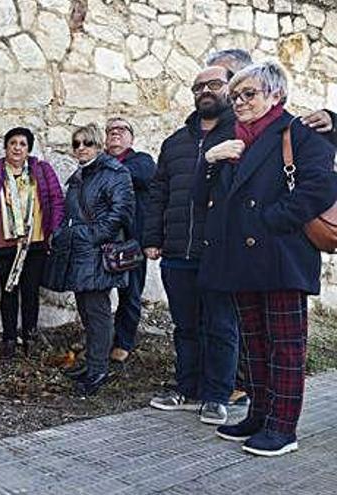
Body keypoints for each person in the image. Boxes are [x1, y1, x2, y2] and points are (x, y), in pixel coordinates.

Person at [197, 62, 337, 456]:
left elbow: (321, 187)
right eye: (236, 96)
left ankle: (283, 428)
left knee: (286, 347)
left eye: (249, 94)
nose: (239, 102)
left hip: (281, 255)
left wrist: (271, 219)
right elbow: (206, 197)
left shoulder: (301, 132)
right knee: (254, 344)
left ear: (275, 96)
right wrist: (211, 161)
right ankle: (258, 415)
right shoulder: (232, 140)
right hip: (241, 259)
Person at [144, 65, 242, 425]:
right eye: (199, 86)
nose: (206, 90)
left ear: (230, 89)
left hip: (220, 251)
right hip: (176, 252)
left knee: (221, 325)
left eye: (214, 84)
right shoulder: (174, 143)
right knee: (185, 326)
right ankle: (188, 389)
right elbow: (159, 194)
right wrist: (153, 238)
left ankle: (218, 396)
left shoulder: (242, 134)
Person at [45, 124, 134, 396]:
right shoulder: (79, 176)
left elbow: (119, 214)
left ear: (98, 145)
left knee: (97, 312)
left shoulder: (115, 173)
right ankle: (92, 363)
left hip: (97, 252)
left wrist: (83, 235)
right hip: (80, 252)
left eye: (87, 143)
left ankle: (98, 369)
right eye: (76, 144)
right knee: (86, 309)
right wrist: (62, 234)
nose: (81, 148)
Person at [0, 127, 65, 361]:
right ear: (6, 147)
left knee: (30, 292)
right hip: (5, 243)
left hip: (35, 243)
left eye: (23, 144)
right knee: (8, 293)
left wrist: (54, 231)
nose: (17, 148)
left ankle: (30, 337)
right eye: (13, 143)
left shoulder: (42, 170)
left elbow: (56, 200)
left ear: (29, 149)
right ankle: (8, 339)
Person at [104, 118, 156, 364]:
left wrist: (102, 170)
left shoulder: (141, 161)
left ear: (131, 138)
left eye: (121, 129)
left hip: (132, 240)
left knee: (130, 292)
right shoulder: (99, 162)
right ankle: (100, 340)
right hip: (102, 240)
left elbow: (138, 177)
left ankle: (124, 341)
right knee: (98, 292)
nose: (115, 133)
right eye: (110, 131)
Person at [208, 48, 337, 145]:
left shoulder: (297, 132)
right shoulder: (202, 125)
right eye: (210, 79)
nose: (239, 101)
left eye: (248, 94)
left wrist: (332, 122)